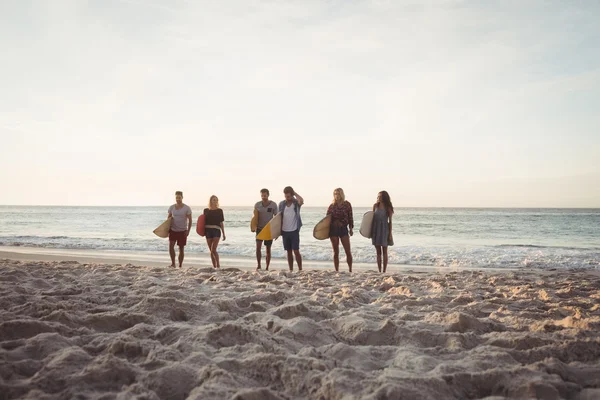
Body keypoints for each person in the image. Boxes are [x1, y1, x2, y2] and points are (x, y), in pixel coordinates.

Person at [327, 188, 353, 272]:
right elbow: (327, 219)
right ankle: (336, 270)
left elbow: (350, 217)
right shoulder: (331, 206)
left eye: (338, 194)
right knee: (336, 252)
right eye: (335, 194)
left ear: (341, 194)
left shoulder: (347, 204)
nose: (336, 195)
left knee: (348, 251)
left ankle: (350, 269)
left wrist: (351, 228)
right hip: (333, 230)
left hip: (343, 229)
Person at [279, 186, 304, 271]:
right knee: (288, 252)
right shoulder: (281, 204)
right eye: (286, 196)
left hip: (294, 230)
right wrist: (278, 231)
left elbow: (301, 200)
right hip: (284, 231)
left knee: (296, 251)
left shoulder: (296, 203)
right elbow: (279, 218)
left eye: (289, 196)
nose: (287, 198)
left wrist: (295, 193)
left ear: (292, 195)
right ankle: (291, 269)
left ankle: (300, 269)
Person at [167, 191, 192, 268]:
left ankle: (180, 265)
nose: (178, 199)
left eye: (179, 197)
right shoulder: (172, 207)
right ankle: (173, 263)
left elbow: (190, 220)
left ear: (182, 197)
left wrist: (188, 231)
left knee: (181, 248)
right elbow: (168, 218)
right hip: (173, 230)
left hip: (182, 231)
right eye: (176, 197)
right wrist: (167, 229)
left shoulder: (186, 208)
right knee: (171, 246)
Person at [255, 188, 277, 270]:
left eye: (265, 195)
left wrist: (276, 231)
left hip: (268, 229)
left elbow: (277, 217)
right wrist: (253, 227)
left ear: (268, 195)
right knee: (258, 247)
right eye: (262, 196)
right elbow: (254, 217)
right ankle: (259, 265)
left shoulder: (273, 205)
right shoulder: (257, 205)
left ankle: (267, 267)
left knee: (268, 249)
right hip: (259, 228)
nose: (263, 197)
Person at [372, 191, 394, 273]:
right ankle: (379, 270)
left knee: (384, 251)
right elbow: (371, 219)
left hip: (384, 230)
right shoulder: (375, 206)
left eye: (380, 196)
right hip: (376, 229)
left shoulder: (388, 208)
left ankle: (384, 270)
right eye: (378, 196)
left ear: (384, 197)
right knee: (378, 252)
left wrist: (390, 234)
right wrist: (370, 231)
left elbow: (390, 222)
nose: (378, 198)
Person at [204, 195, 226, 269]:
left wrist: (223, 234)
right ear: (210, 201)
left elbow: (221, 223)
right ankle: (214, 266)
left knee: (213, 249)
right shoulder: (206, 210)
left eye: (216, 200)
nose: (215, 201)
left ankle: (218, 265)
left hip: (216, 230)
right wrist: (202, 231)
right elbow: (203, 221)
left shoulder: (219, 211)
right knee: (211, 250)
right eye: (214, 200)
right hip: (207, 230)